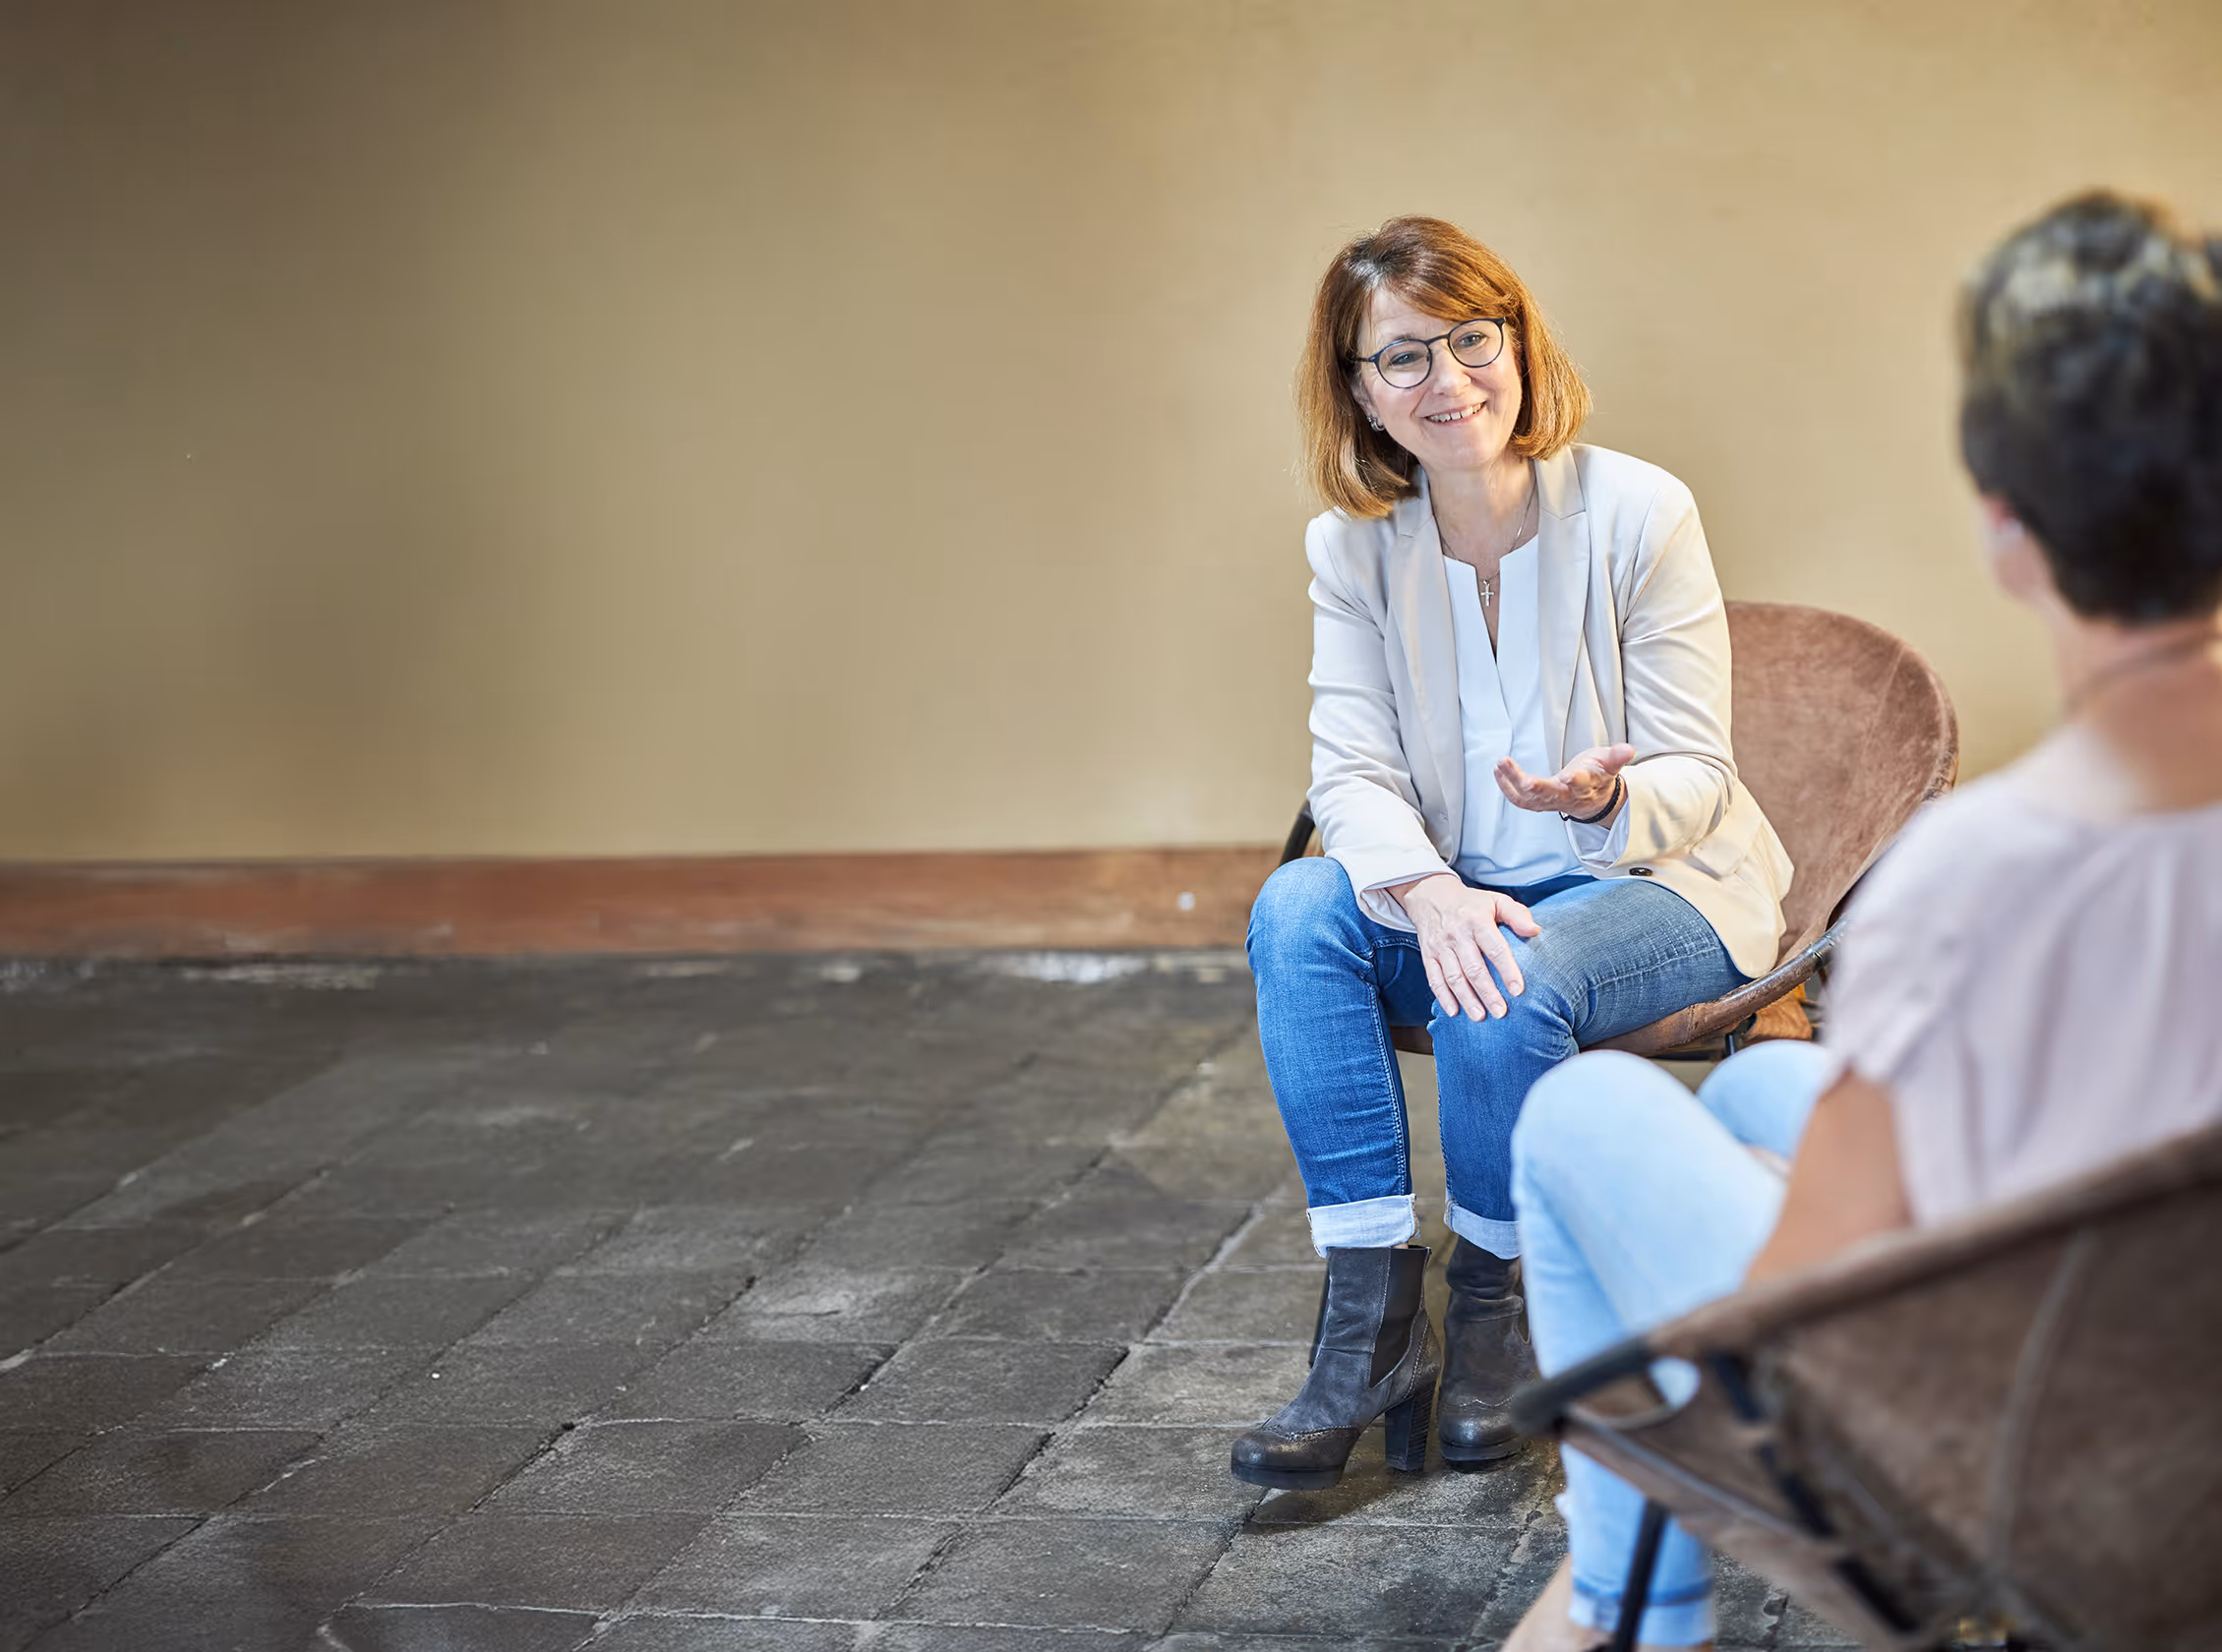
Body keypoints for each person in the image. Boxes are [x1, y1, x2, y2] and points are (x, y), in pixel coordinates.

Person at [1503, 190, 2222, 1650]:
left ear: (2004, 528)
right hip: (2181, 1392)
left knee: (1581, 1113)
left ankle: (1618, 1611)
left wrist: (1785, 1197)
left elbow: (1789, 1314)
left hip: (2020, 1472)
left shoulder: (1973, 875)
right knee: (1772, 1077)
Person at [1231, 217, 1794, 1491]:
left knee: (1509, 967)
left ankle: (1493, 1304)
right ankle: (1372, 1319)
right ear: (1359, 396)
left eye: (1471, 338)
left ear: (1518, 343)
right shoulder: (1350, 550)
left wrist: (1600, 802)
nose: (1448, 380)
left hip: (1647, 885)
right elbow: (1352, 771)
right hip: (1454, 886)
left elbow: (1694, 776)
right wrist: (1431, 891)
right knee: (1295, 906)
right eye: (1401, 359)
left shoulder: (1641, 510)